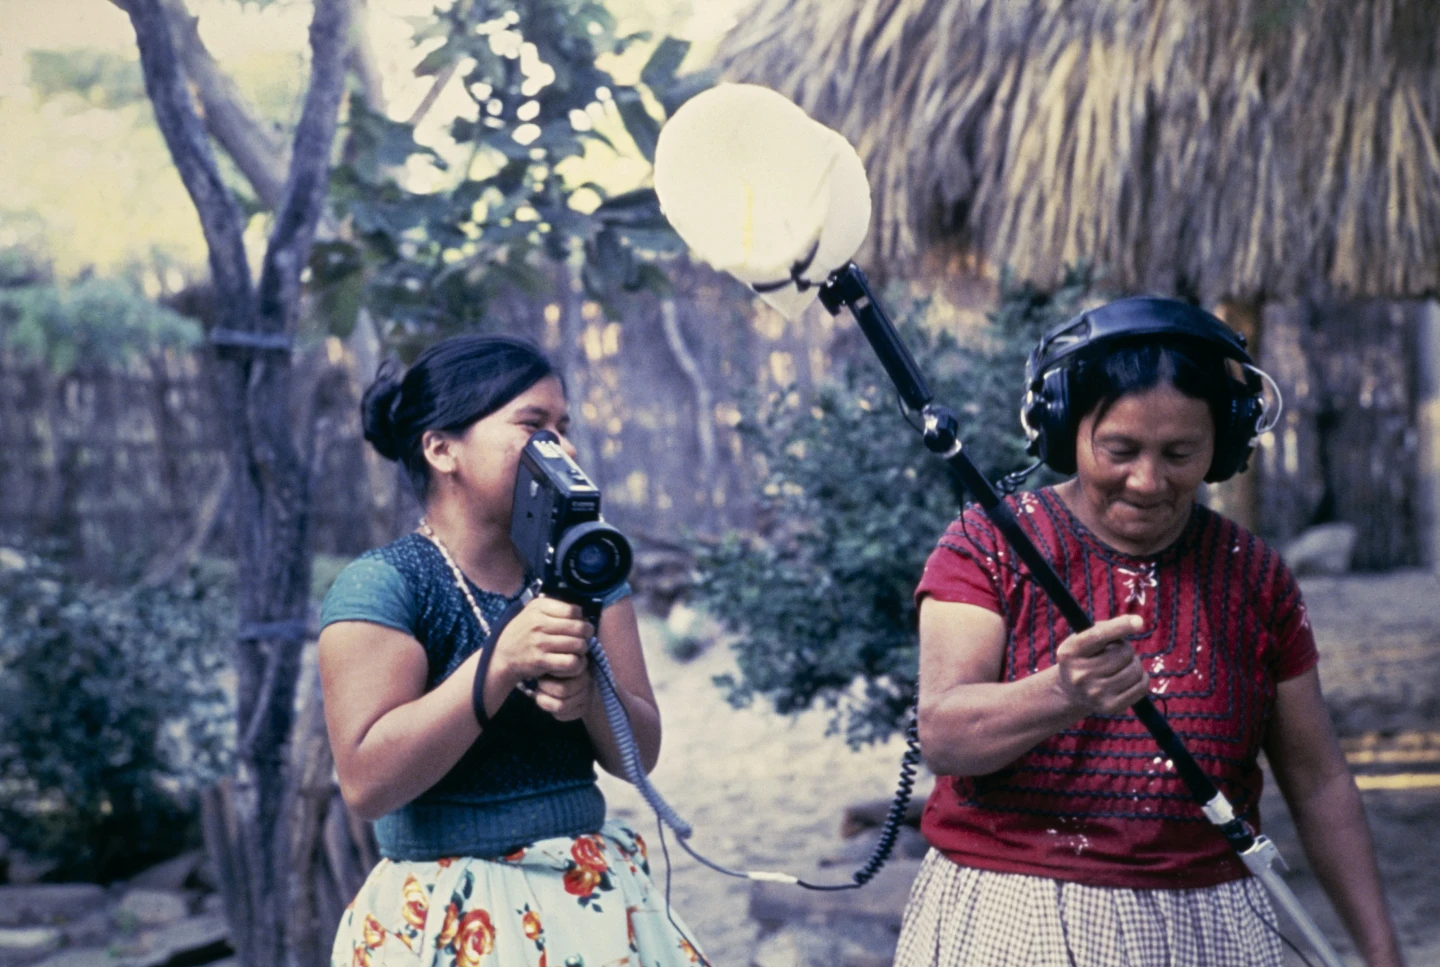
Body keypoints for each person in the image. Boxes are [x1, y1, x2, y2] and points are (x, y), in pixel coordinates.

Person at [894, 298, 1405, 967]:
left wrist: (1381, 949)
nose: (1148, 480)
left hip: (1216, 921)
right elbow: (945, 735)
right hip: (1015, 914)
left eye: (1180, 452)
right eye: (1120, 449)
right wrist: (1062, 691)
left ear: (1224, 444)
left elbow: (1317, 778)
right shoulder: (988, 545)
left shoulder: (1255, 576)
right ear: (1062, 429)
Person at [319, 335, 706, 967]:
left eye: (564, 427)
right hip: (446, 910)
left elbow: (643, 751)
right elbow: (366, 784)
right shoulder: (386, 584)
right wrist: (497, 665)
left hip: (590, 897)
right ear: (442, 448)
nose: (565, 449)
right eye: (533, 426)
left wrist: (587, 700)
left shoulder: (590, 566)